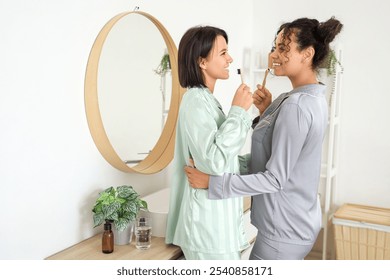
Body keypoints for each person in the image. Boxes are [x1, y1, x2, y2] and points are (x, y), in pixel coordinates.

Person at [185, 17, 343, 260]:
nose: (273, 55)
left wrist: (213, 182)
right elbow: (280, 151)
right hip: (297, 223)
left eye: (283, 48)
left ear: (307, 54)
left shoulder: (296, 105)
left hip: (283, 233)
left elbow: (275, 179)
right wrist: (265, 111)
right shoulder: (308, 97)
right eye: (274, 47)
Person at [165, 26, 255, 260]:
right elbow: (214, 162)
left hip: (217, 230)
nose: (230, 59)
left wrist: (261, 161)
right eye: (223, 53)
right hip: (208, 233)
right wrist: (238, 112)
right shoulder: (195, 101)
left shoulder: (205, 100)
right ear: (202, 61)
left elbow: (222, 160)